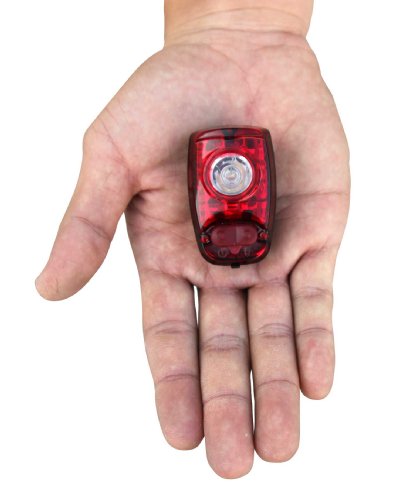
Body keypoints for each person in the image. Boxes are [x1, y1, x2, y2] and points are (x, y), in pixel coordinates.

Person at [35, 0, 350, 479]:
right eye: (226, 173)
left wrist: (243, 24)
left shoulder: (244, 161)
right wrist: (244, 24)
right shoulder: (228, 163)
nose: (231, 177)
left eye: (236, 172)